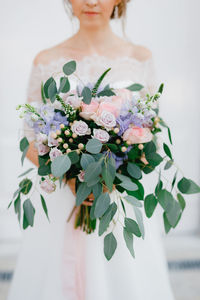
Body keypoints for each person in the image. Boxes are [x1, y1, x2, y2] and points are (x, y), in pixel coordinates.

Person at [7, 0, 175, 299]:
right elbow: (30, 137)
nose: (92, 1)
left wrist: (117, 171)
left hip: (118, 197)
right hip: (63, 196)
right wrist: (68, 174)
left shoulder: (140, 58)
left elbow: (151, 131)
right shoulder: (47, 60)